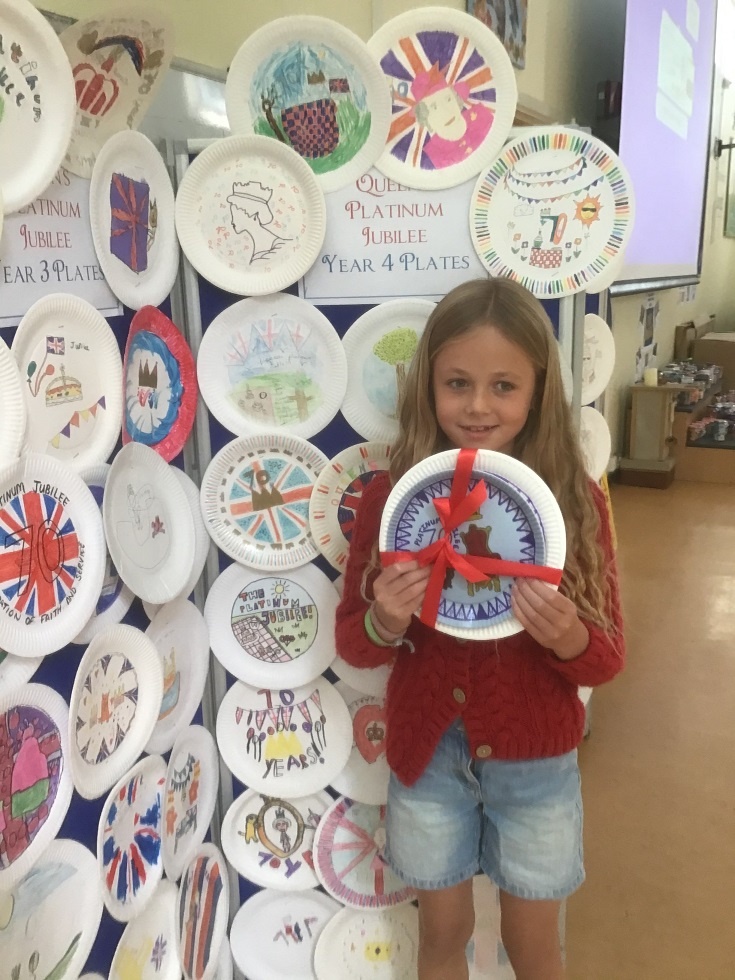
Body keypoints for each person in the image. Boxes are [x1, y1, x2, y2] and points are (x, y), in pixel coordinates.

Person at [335, 277, 625, 980]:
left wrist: (566, 636)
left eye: (504, 386)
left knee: (534, 948)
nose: (477, 406)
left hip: (536, 761)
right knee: (442, 933)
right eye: (457, 383)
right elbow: (353, 642)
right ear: (427, 386)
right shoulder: (391, 499)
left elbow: (606, 659)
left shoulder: (572, 502)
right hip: (429, 753)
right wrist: (385, 617)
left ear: (537, 392)